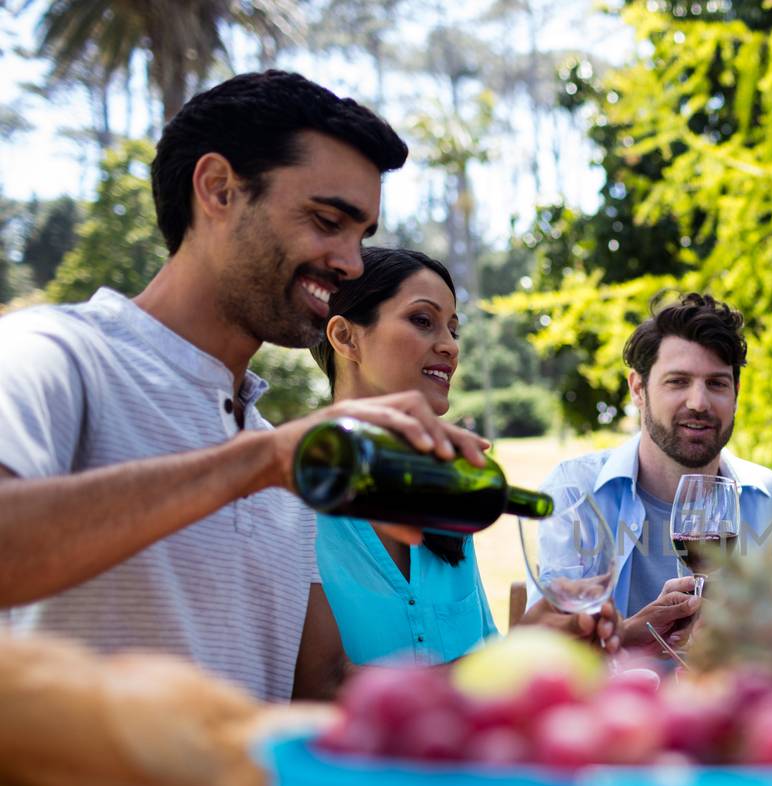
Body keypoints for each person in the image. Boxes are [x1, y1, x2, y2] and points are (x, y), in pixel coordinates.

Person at [0, 71, 488, 703]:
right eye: (326, 220)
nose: (351, 263)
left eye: (360, 235)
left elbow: (326, 689)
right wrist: (265, 460)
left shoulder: (271, 453)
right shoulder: (55, 355)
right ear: (218, 190)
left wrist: (529, 665)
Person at [307, 247, 618, 665]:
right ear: (345, 337)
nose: (451, 346)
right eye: (423, 321)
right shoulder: (291, 500)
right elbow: (324, 694)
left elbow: (483, 662)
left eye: (454, 329)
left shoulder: (451, 494)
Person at [539, 292, 772, 650]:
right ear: (638, 389)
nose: (699, 403)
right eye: (677, 381)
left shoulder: (771, 496)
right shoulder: (575, 492)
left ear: (736, 392)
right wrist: (631, 636)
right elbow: (550, 656)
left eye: (717, 383)